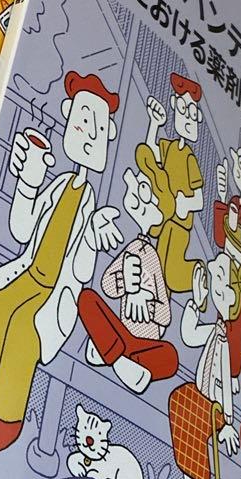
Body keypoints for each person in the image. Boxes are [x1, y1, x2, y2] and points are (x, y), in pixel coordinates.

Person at [0, 71, 123, 454]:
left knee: (25, 327)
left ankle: (7, 415)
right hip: (28, 273)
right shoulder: (59, 185)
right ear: (68, 116)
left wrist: (92, 235)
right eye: (82, 120)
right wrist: (28, 183)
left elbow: (82, 271)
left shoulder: (90, 203)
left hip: (55, 292)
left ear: (109, 136)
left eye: (98, 127)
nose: (88, 133)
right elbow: (22, 228)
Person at [167, 253, 241, 479]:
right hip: (198, 397)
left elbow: (225, 382)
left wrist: (227, 422)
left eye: (220, 281)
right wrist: (196, 303)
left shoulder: (227, 341)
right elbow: (189, 336)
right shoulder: (215, 329)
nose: (214, 284)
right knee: (178, 402)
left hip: (214, 408)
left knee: (193, 435)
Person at [78, 167, 178, 393]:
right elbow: (107, 285)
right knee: (86, 298)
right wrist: (125, 284)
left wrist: (146, 301)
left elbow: (165, 315)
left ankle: (110, 352)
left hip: (144, 344)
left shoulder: (152, 257)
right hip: (122, 332)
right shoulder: (132, 248)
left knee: (171, 357)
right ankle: (119, 360)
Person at [135, 73, 204, 294]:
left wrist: (185, 203)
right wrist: (154, 124)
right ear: (174, 105)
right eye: (183, 110)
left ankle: (198, 275)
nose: (188, 119)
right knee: (156, 268)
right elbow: (150, 151)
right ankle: (158, 304)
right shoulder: (170, 147)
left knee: (172, 274)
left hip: (180, 225)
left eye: (192, 114)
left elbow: (199, 199)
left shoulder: (190, 158)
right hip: (165, 219)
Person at [214, 145, 241, 383]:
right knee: (220, 320)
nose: (238, 171)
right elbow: (220, 238)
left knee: (235, 326)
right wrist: (222, 198)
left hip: (237, 280)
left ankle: (231, 374)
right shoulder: (233, 202)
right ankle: (215, 364)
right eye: (237, 166)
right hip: (225, 269)